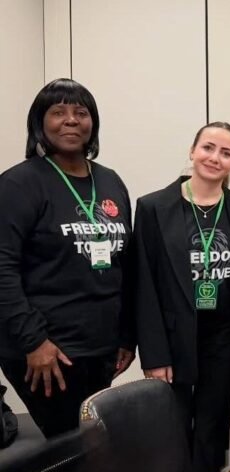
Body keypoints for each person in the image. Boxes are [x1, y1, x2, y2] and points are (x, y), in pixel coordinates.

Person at [0, 78, 134, 437]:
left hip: (101, 347)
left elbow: (124, 264)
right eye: (58, 112)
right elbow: (3, 269)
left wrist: (126, 336)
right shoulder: (19, 184)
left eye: (81, 112)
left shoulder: (110, 181)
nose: (71, 120)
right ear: (39, 123)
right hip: (49, 351)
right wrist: (33, 342)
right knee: (72, 448)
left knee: (92, 445)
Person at [134, 122, 230, 472]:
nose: (215, 158)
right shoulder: (153, 207)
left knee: (213, 425)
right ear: (193, 150)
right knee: (173, 424)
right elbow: (143, 285)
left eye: (226, 153)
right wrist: (153, 354)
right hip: (173, 338)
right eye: (208, 147)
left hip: (224, 337)